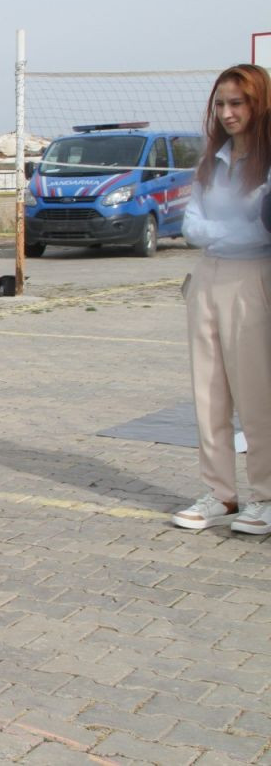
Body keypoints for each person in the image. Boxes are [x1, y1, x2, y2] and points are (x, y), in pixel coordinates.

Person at [172, 64, 271, 535]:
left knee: (257, 395)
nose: (228, 113)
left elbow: (260, 231)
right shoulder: (212, 161)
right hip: (207, 278)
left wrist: (222, 232)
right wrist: (225, 232)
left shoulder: (268, 163)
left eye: (238, 103)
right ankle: (220, 494)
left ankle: (266, 496)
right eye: (220, 104)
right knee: (208, 392)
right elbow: (190, 225)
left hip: (254, 279)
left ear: (259, 104)